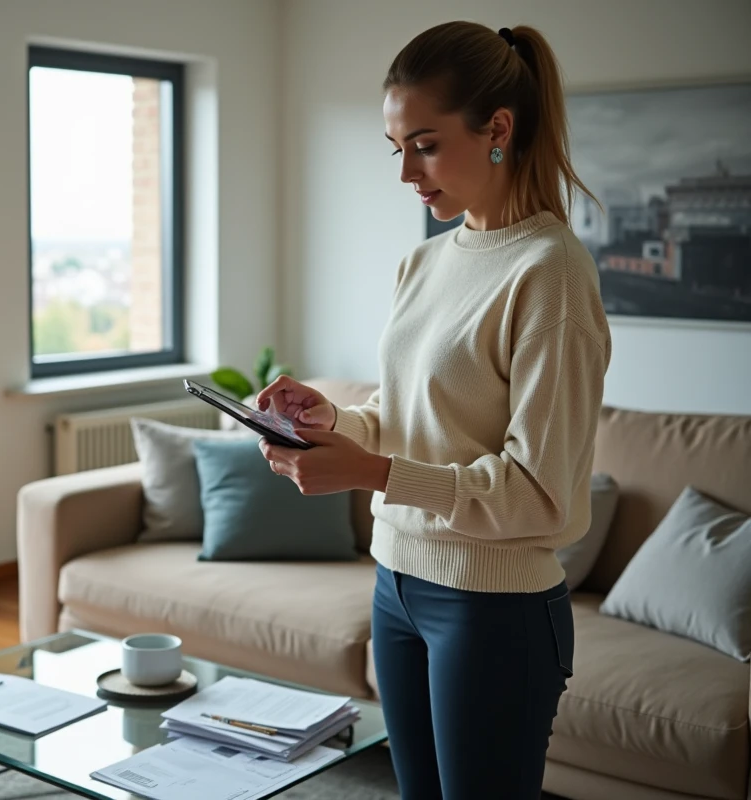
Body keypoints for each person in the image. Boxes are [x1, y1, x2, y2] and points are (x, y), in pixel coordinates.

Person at [256, 21, 611, 800]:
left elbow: (542, 490)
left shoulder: (551, 272)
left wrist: (374, 471)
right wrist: (330, 423)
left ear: (498, 130)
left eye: (424, 144)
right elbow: (401, 414)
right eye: (397, 148)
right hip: (396, 584)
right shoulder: (424, 262)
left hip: (495, 610)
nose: (407, 173)